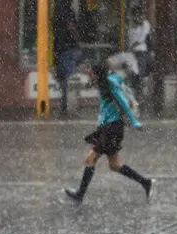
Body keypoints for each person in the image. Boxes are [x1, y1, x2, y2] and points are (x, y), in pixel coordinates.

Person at [64, 63, 154, 204]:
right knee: (114, 165)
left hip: (112, 129)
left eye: (92, 74)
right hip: (108, 127)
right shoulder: (104, 84)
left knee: (90, 160)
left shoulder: (110, 84)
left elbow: (123, 102)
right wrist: (101, 120)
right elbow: (106, 106)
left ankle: (80, 195)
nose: (90, 76)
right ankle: (145, 182)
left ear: (97, 74)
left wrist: (134, 121)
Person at [53, 0, 82, 115]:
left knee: (66, 79)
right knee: (69, 78)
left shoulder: (58, 11)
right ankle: (70, 104)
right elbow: (72, 28)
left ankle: (67, 104)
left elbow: (60, 33)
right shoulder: (68, 11)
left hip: (63, 49)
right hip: (69, 48)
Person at [128, 5, 152, 96]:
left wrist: (133, 45)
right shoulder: (131, 24)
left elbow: (142, 38)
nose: (136, 17)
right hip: (132, 52)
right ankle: (135, 93)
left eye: (138, 14)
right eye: (134, 15)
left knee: (138, 73)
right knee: (132, 73)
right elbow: (129, 39)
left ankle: (139, 94)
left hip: (141, 51)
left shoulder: (145, 24)